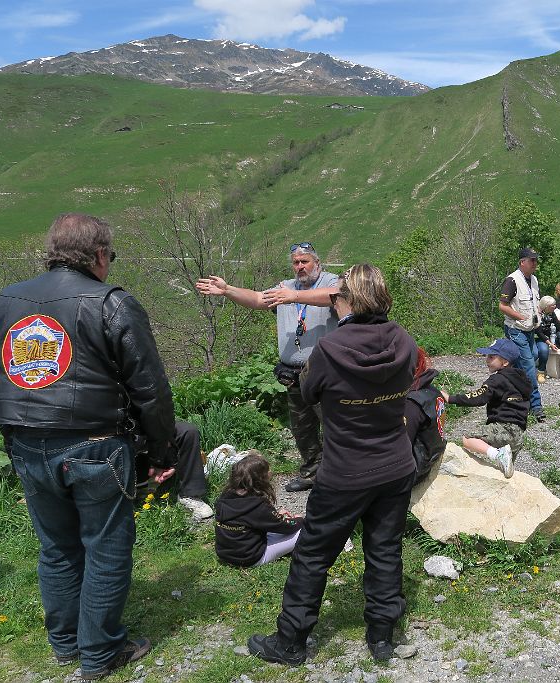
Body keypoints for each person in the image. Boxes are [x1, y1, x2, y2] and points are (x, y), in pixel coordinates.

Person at [0, 213, 177, 680]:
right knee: (106, 547)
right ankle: (101, 652)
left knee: (57, 548)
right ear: (100, 254)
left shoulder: (8, 300)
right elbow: (150, 388)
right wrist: (161, 452)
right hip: (95, 442)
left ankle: (66, 643)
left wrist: (11, 429)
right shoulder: (112, 303)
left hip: (28, 441)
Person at [247, 264, 418, 666]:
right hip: (395, 465)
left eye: (335, 298)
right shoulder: (403, 341)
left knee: (313, 554)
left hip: (345, 470)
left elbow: (307, 393)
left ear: (347, 302)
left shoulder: (329, 349)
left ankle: (291, 642)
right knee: (385, 549)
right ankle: (381, 637)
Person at [196, 243, 338, 493]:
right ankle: (311, 473)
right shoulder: (285, 286)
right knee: (302, 427)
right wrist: (228, 290)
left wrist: (294, 297)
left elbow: (336, 295)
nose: (300, 267)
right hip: (294, 372)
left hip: (324, 370)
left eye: (305, 262)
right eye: (296, 263)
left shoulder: (331, 281)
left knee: (332, 423)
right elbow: (258, 299)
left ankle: (338, 475)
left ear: (317, 262)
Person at [442, 338, 531, 478]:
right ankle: (502, 458)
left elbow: (479, 397)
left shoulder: (497, 380)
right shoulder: (522, 380)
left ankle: (497, 454)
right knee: (503, 472)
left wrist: (450, 398)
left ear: (505, 362)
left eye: (492, 357)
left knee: (467, 439)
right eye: (487, 356)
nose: (487, 360)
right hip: (519, 433)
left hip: (502, 428)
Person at [215, 454, 304, 567]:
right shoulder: (258, 506)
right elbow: (287, 527)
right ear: (260, 479)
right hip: (250, 558)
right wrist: (299, 519)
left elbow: (252, 519)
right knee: (303, 530)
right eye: (267, 471)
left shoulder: (225, 497)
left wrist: (274, 516)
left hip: (225, 554)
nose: (270, 473)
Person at [498, 247, 545, 422]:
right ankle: (536, 406)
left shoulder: (534, 280)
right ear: (522, 262)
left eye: (536, 260)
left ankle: (512, 398)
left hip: (529, 330)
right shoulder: (512, 280)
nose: (535, 263)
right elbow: (502, 306)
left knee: (527, 361)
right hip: (516, 329)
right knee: (529, 368)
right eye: (532, 260)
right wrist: (520, 316)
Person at [138, 421, 213, 521]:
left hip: (142, 423)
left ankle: (189, 494)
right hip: (117, 432)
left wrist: (171, 461)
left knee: (187, 432)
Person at [404, 348, 448, 483]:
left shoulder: (411, 403)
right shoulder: (431, 390)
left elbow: (400, 447)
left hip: (414, 469)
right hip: (430, 455)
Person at [534, 295, 560, 382]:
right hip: (535, 336)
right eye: (552, 305)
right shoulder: (536, 314)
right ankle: (527, 372)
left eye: (555, 304)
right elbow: (539, 332)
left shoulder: (551, 313)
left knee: (544, 351)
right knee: (534, 354)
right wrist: (550, 344)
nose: (555, 307)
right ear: (546, 306)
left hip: (544, 338)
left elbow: (558, 326)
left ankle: (541, 372)